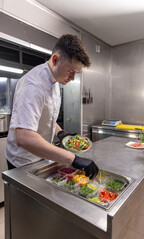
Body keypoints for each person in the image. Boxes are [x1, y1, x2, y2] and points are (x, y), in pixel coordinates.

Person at [6, 34, 99, 179]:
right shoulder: (33, 86)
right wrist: (72, 158)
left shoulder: (55, 82)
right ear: (55, 60)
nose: (73, 78)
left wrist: (60, 133)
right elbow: (24, 137)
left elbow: (45, 115)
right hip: (23, 162)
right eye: (71, 71)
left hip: (42, 157)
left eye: (76, 73)